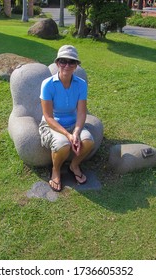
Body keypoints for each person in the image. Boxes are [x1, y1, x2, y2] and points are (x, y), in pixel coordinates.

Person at [39, 45, 95, 192]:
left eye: (71, 62)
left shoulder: (81, 84)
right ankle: (55, 170)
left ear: (76, 66)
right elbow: (48, 117)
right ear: (57, 63)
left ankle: (74, 165)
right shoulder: (48, 85)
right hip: (52, 124)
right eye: (63, 61)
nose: (67, 65)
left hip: (73, 123)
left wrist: (76, 132)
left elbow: (82, 113)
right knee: (63, 144)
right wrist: (68, 135)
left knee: (88, 142)